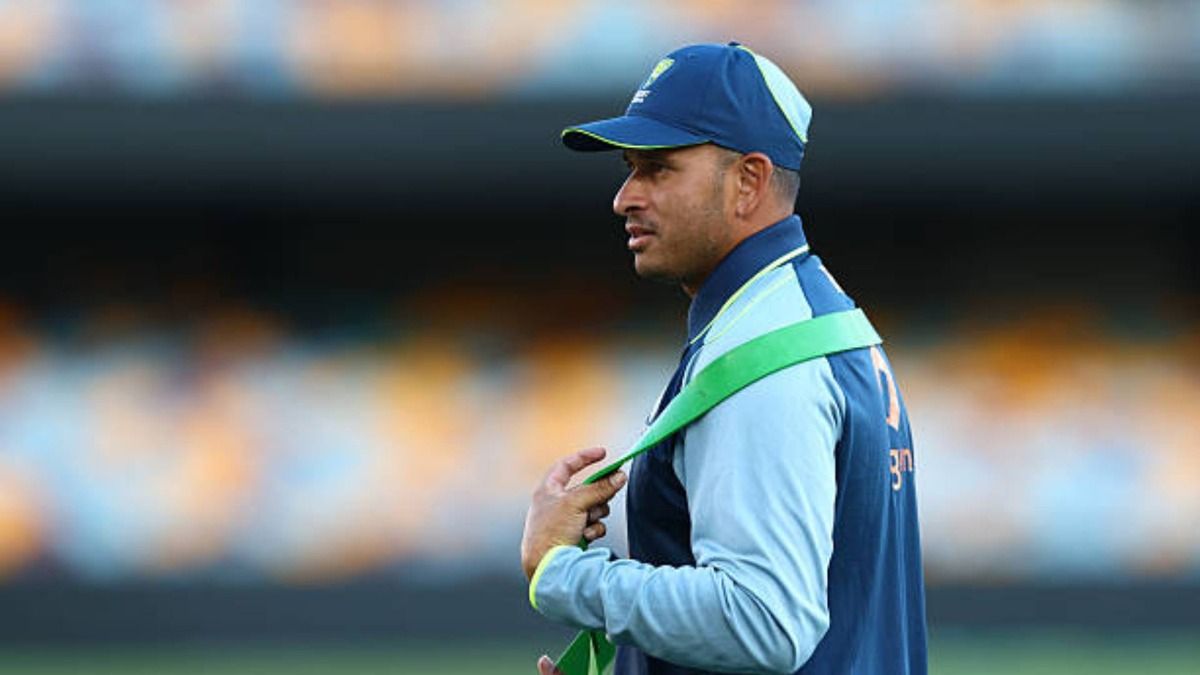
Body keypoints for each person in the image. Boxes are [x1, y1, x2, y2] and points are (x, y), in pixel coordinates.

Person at [520, 42, 927, 675]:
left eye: (658, 168)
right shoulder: (815, 316)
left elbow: (764, 620)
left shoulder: (768, 353)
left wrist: (563, 573)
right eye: (629, 168)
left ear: (749, 181)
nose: (624, 197)